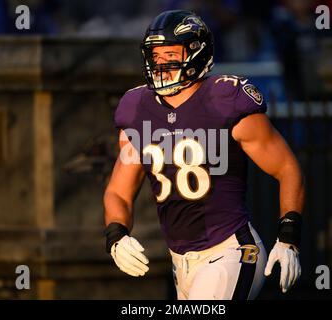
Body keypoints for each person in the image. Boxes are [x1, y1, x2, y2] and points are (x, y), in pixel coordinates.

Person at [103, 10, 305, 300]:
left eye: (170, 54)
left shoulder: (225, 101)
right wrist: (116, 234)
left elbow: (287, 168)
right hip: (180, 263)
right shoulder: (137, 108)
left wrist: (289, 238)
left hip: (231, 251)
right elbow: (118, 192)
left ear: (196, 53)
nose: (161, 64)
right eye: (155, 56)